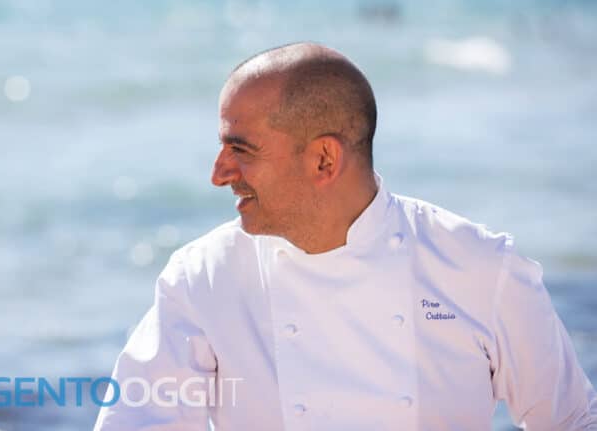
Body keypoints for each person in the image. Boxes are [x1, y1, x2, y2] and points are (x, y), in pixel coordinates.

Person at [94, 42, 597, 430]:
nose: (219, 173)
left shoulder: (479, 266)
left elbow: (573, 420)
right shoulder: (202, 277)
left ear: (324, 160)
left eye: (241, 150)